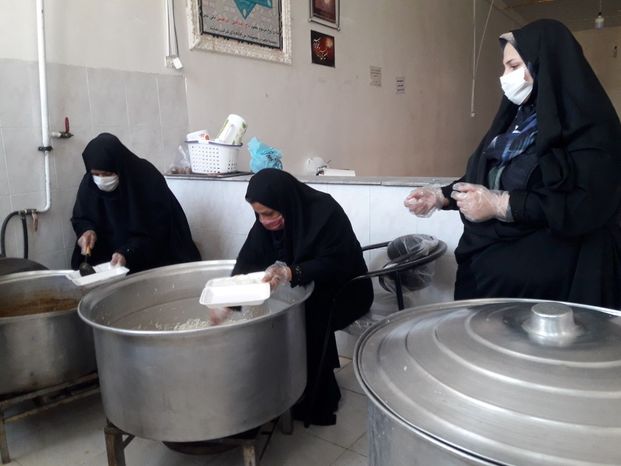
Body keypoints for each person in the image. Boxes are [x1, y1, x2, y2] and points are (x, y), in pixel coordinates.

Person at [404, 19, 621, 309]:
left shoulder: (592, 131)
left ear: (546, 65)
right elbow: (489, 177)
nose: (505, 77)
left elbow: (583, 206)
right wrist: (441, 197)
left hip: (553, 289)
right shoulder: (518, 121)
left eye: (514, 66)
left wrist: (501, 205)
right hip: (486, 272)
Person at [231, 168, 373, 426]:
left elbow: (338, 262)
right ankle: (292, 385)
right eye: (258, 214)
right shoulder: (272, 217)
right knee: (284, 313)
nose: (264, 221)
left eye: (269, 214)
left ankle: (318, 398)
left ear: (286, 203)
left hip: (347, 289)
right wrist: (229, 303)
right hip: (313, 286)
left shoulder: (325, 212)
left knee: (303, 318)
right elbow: (250, 257)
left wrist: (291, 272)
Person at [70, 133, 201, 273]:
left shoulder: (145, 178)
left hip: (153, 257)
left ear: (119, 166)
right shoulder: (90, 182)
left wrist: (128, 252)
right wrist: (86, 231)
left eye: (107, 174)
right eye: (96, 174)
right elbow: (81, 217)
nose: (101, 179)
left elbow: (158, 229)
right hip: (109, 261)